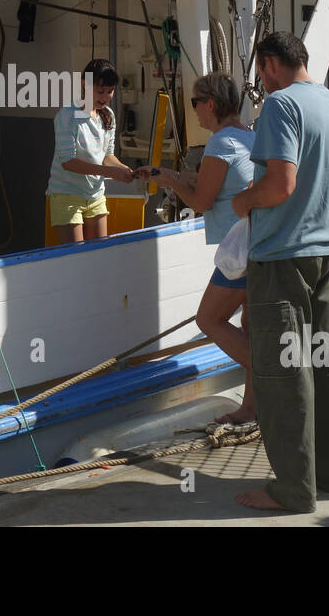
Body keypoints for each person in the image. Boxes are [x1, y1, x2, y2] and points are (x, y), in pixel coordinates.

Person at [231, 31, 329, 513]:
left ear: (269, 64)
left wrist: (244, 201)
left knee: (283, 372)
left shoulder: (282, 107)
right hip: (327, 256)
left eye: (261, 72)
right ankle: (327, 476)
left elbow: (279, 184)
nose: (262, 81)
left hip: (282, 259)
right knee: (325, 363)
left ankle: (292, 489)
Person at [138, 72, 257, 424]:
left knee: (209, 319)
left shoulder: (221, 142)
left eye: (195, 104)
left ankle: (274, 373)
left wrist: (171, 183)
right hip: (259, 244)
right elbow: (216, 183)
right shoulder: (249, 136)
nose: (195, 113)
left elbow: (202, 201)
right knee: (250, 329)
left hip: (239, 253)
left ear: (210, 103)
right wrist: (168, 174)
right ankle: (253, 409)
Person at [47, 58, 135, 244]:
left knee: (98, 255)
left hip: (95, 195)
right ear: (84, 84)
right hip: (66, 195)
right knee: (75, 259)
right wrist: (110, 172)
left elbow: (107, 156)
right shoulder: (67, 116)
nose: (105, 97)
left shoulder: (108, 116)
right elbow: (68, 162)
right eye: (100, 91)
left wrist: (123, 169)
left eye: (110, 91)